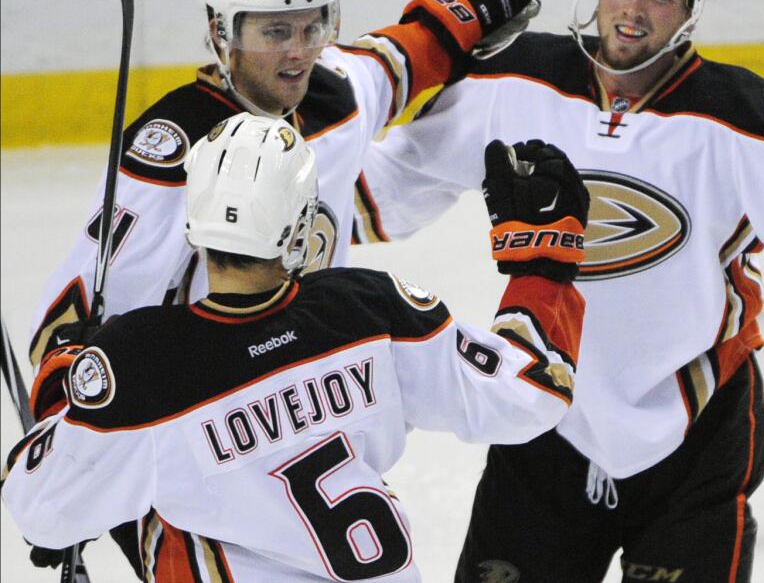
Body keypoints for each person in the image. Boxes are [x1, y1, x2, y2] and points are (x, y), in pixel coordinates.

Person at [359, 0, 764, 579]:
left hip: (697, 428)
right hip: (540, 412)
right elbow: (377, 193)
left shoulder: (741, 115)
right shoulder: (508, 81)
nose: (632, 10)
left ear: (690, 9)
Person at [4, 113, 589, 582]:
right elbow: (529, 396)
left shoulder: (145, 364)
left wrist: (64, 379)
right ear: (302, 221)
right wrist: (541, 265)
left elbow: (45, 512)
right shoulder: (370, 308)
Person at [27, 0, 537, 415]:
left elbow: (396, 64)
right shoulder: (174, 150)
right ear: (220, 30)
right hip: (205, 410)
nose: (298, 52)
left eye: (311, 26)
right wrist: (71, 389)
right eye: (274, 31)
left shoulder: (333, 97)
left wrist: (456, 19)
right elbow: (74, 309)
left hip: (309, 389)